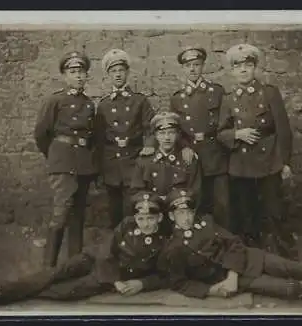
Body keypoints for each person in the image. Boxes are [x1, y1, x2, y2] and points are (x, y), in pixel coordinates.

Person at [0, 191, 169, 311]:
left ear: (159, 218)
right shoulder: (126, 225)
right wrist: (116, 280)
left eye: (150, 219)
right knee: (54, 273)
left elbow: (165, 275)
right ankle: (0, 293)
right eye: (141, 218)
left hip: (106, 278)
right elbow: (106, 252)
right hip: (98, 262)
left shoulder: (164, 242)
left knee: (65, 292)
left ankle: (21, 295)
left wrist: (141, 284)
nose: (145, 223)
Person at [158, 187, 302, 301]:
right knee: (290, 289)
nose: (186, 218)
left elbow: (234, 243)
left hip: (249, 258)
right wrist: (210, 290)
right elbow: (178, 282)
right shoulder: (173, 248)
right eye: (181, 214)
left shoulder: (206, 223)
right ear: (171, 216)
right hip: (238, 280)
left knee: (296, 268)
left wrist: (232, 275)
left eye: (189, 212)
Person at [217, 43, 297, 259]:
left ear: (255, 68)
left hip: (269, 162)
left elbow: (283, 130)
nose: (243, 70)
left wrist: (285, 162)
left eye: (248, 65)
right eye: (238, 66)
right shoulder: (228, 99)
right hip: (241, 166)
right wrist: (236, 134)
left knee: (275, 212)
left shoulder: (269, 93)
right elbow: (220, 133)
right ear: (232, 71)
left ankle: (288, 259)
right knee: (246, 215)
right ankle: (251, 259)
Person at [33, 51, 97, 267]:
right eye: (73, 71)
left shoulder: (89, 104)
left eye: (82, 72)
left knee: (78, 216)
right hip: (63, 163)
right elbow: (41, 133)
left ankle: (73, 267)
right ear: (64, 76)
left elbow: (91, 136)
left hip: (83, 165)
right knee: (61, 212)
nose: (78, 76)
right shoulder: (55, 100)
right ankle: (48, 268)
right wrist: (56, 157)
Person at [93, 49, 157, 228]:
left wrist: (149, 146)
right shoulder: (104, 104)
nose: (118, 74)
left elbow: (151, 128)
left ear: (127, 72)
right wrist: (99, 167)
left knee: (133, 206)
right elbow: (98, 138)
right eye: (113, 71)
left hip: (133, 160)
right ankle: (117, 246)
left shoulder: (140, 101)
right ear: (108, 75)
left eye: (121, 70)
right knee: (114, 209)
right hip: (111, 162)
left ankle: (134, 245)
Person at [170, 46, 230, 227]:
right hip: (193, 156)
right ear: (183, 69)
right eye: (188, 66)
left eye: (196, 64)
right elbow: (175, 129)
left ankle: (224, 241)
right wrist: (185, 146)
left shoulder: (216, 92)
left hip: (215, 153)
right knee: (196, 201)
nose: (193, 69)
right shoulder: (177, 98)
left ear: (203, 66)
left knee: (222, 203)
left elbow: (226, 123)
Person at [130, 111, 202, 235]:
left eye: (171, 133)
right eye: (162, 133)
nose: (167, 138)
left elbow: (195, 191)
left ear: (178, 134)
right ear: (156, 136)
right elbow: (136, 192)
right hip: (153, 216)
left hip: (179, 215)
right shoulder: (145, 161)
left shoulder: (187, 159)